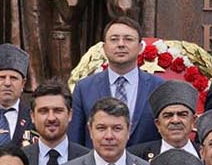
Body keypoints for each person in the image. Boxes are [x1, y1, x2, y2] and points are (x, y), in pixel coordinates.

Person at [70, 16, 167, 147]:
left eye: (128, 39)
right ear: (104, 48)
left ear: (140, 47)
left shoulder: (158, 87)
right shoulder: (84, 88)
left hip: (145, 160)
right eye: (114, 39)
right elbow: (75, 140)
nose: (121, 44)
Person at [131, 80, 202, 163]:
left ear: (193, 121)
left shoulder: (206, 154)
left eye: (182, 114)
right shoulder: (135, 157)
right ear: (158, 124)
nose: (175, 121)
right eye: (168, 115)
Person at [27, 83, 74, 165]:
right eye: (43, 111)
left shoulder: (89, 160)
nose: (51, 118)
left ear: (70, 115)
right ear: (32, 116)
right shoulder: (21, 158)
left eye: (58, 111)